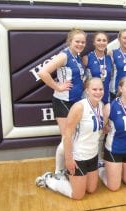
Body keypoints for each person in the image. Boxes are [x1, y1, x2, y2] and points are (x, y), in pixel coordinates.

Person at [35, 78, 104, 200]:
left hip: (92, 155)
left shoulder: (101, 105)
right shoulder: (79, 107)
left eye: (100, 89)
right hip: (79, 156)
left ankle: (72, 177)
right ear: (87, 90)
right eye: (94, 89)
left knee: (92, 190)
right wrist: (68, 159)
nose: (98, 92)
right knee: (78, 195)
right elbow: (67, 135)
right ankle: (49, 179)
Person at [38, 28, 86, 175]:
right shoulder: (64, 56)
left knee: (72, 136)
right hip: (63, 101)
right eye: (77, 41)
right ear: (69, 41)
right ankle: (58, 171)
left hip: (75, 101)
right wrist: (57, 87)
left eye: (83, 42)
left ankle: (67, 166)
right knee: (67, 137)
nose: (80, 44)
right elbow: (42, 72)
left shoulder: (77, 56)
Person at [100, 76, 126, 191]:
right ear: (120, 88)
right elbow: (103, 128)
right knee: (114, 187)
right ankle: (102, 170)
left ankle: (117, 170)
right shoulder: (110, 106)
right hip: (114, 150)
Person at [82, 31, 113, 105]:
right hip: (91, 97)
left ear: (107, 42)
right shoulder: (87, 58)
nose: (101, 43)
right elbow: (82, 80)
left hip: (106, 96)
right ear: (94, 43)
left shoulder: (109, 58)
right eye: (98, 40)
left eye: (104, 40)